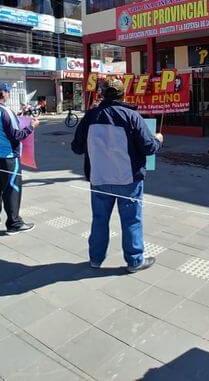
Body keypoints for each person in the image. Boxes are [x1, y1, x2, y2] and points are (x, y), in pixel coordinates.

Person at [71, 78, 163, 273]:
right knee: (131, 220)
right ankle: (134, 261)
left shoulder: (90, 116)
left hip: (99, 178)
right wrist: (158, 140)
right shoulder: (132, 115)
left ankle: (95, 259)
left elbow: (76, 148)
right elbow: (149, 147)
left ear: (102, 95)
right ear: (123, 95)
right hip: (128, 179)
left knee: (99, 219)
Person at [0, 81, 40, 234]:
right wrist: (32, 126)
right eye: (7, 91)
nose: (8, 94)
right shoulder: (4, 111)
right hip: (7, 157)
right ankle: (14, 223)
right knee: (11, 189)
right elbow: (16, 136)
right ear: (3, 94)